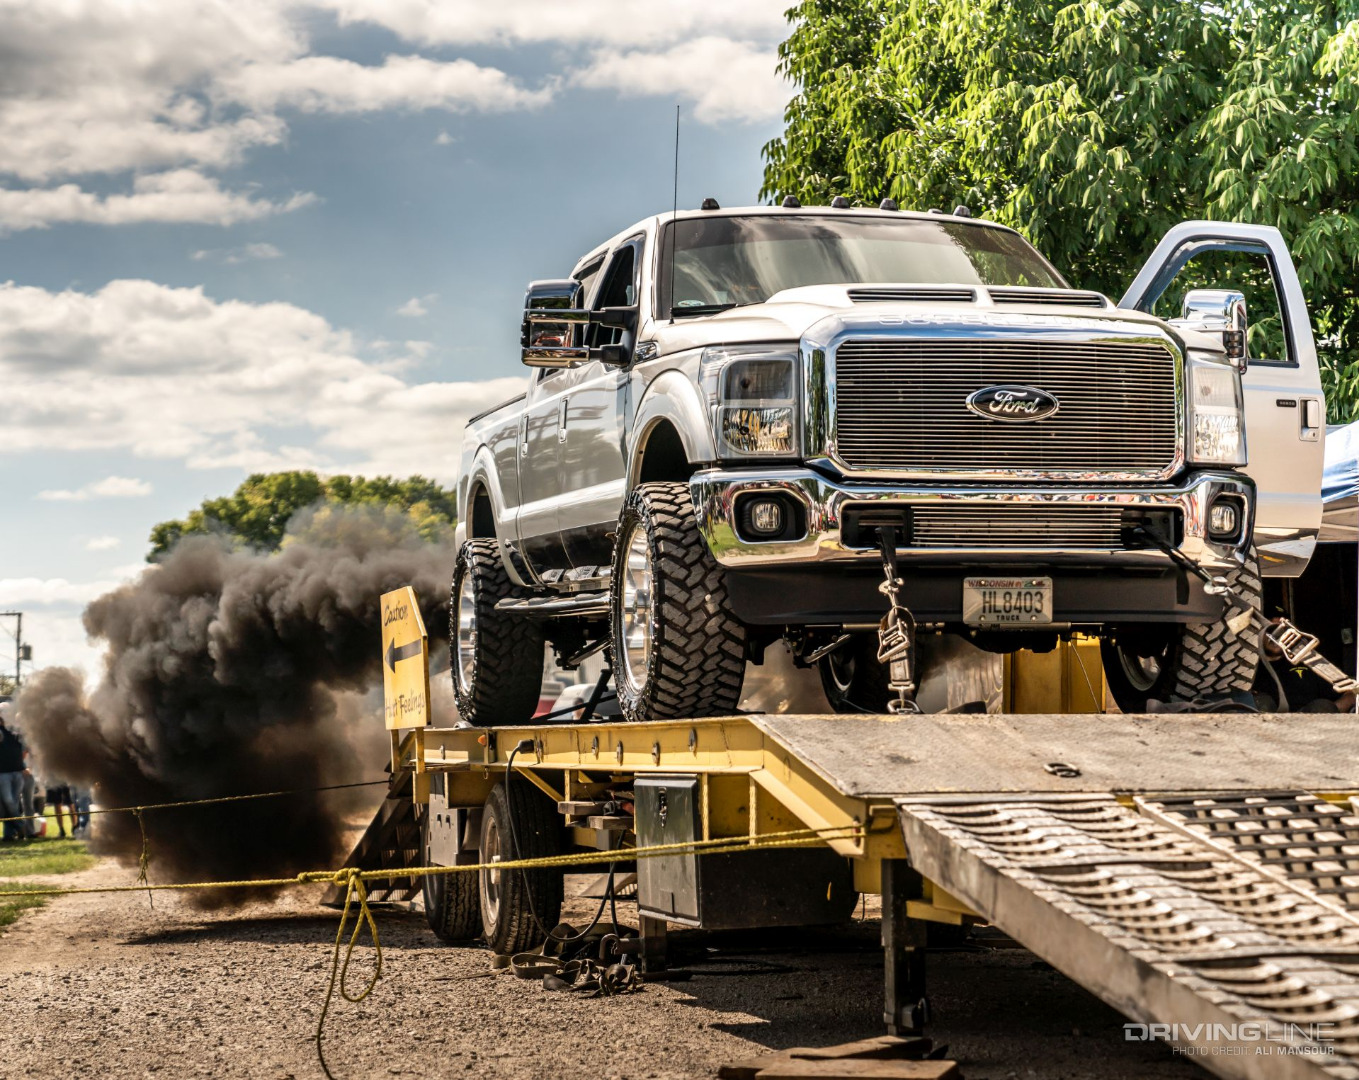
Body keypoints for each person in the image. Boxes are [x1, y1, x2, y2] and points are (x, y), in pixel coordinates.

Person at [1255, 619, 1358, 713]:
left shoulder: (1312, 663)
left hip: (1311, 723)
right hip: (1268, 724)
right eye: (1270, 631)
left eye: (1281, 631)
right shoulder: (1252, 669)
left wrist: (1328, 711)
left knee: (1322, 705)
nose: (1276, 636)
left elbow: (1350, 694)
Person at [0, 706, 31, 841]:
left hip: (18, 772)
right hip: (3, 773)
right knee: (8, 801)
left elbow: (23, 749)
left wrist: (24, 766)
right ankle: (21, 825)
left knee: (13, 803)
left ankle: (9, 834)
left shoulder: (17, 732)